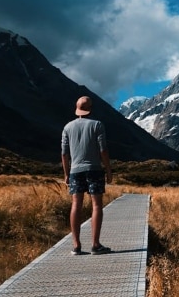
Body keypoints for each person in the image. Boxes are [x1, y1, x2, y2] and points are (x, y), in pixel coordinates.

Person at [61, 96, 112, 255]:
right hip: (94, 169)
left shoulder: (67, 127)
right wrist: (108, 169)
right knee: (96, 205)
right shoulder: (97, 125)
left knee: (76, 204)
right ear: (90, 108)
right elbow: (103, 150)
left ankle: (76, 245)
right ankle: (95, 245)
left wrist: (66, 173)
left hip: (75, 171)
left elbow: (64, 153)